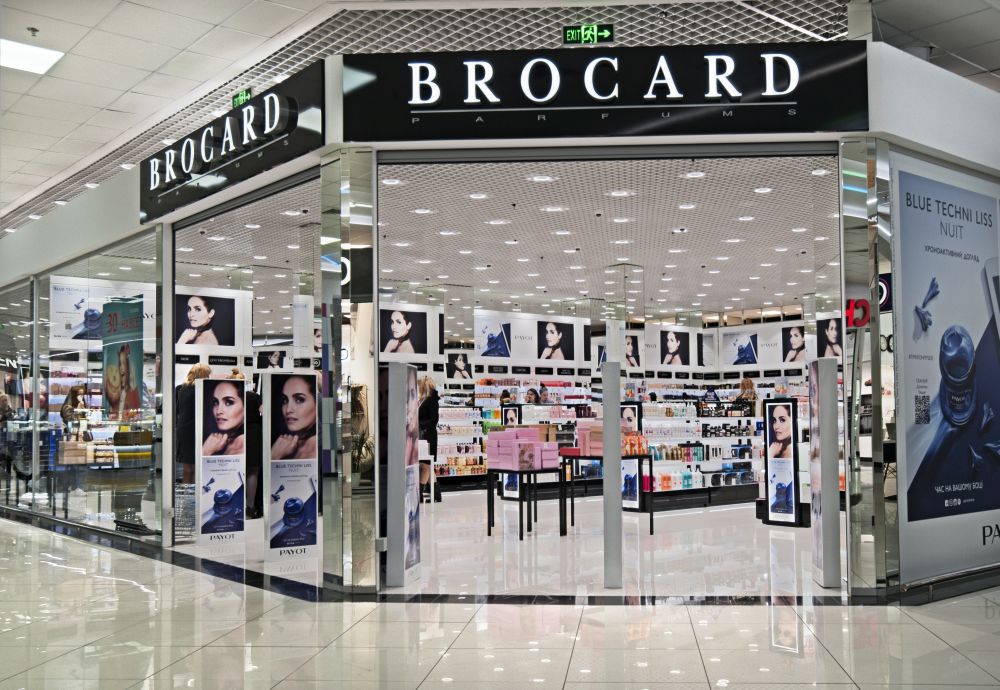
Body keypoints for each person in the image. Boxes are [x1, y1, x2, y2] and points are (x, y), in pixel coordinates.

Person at [229, 370, 264, 519]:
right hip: (254, 436)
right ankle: (250, 507)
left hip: (235, 436)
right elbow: (265, 414)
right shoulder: (254, 397)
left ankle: (234, 506)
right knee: (252, 472)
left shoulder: (230, 399)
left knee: (235, 471)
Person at [176, 363, 211, 484]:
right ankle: (196, 493)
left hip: (183, 430)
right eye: (208, 375)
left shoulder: (181, 389)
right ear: (203, 375)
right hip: (197, 430)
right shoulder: (202, 390)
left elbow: (178, 410)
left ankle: (187, 493)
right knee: (198, 467)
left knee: (187, 468)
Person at [270, 375, 318, 460]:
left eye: (299, 400)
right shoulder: (286, 446)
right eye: (285, 400)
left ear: (317, 403)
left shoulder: (317, 452)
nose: (288, 410)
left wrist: (273, 456)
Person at [202, 379, 246, 457]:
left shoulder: (241, 449)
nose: (218, 411)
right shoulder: (224, 443)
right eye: (215, 403)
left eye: (229, 402)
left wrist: (205, 452)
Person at [417, 376, 441, 503]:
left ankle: (419, 494)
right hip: (425, 435)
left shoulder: (431, 400)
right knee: (428, 465)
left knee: (425, 465)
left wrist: (419, 424)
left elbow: (433, 420)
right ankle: (436, 494)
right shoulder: (425, 399)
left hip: (428, 437)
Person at [114, 344, 141, 421]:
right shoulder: (116, 393)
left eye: (123, 363)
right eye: (120, 364)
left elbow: (138, 414)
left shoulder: (133, 391)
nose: (121, 368)